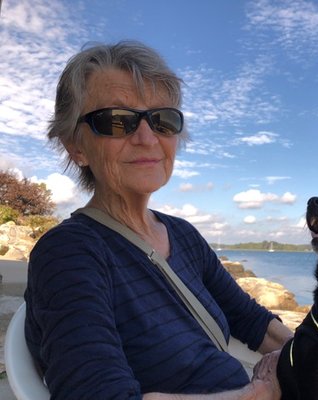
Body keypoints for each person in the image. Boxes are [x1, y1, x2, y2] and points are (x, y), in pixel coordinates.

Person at [24, 41, 293, 400]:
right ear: (76, 146)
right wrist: (260, 393)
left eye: (162, 120)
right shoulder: (69, 254)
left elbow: (253, 322)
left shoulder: (182, 235)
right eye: (117, 121)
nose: (147, 138)